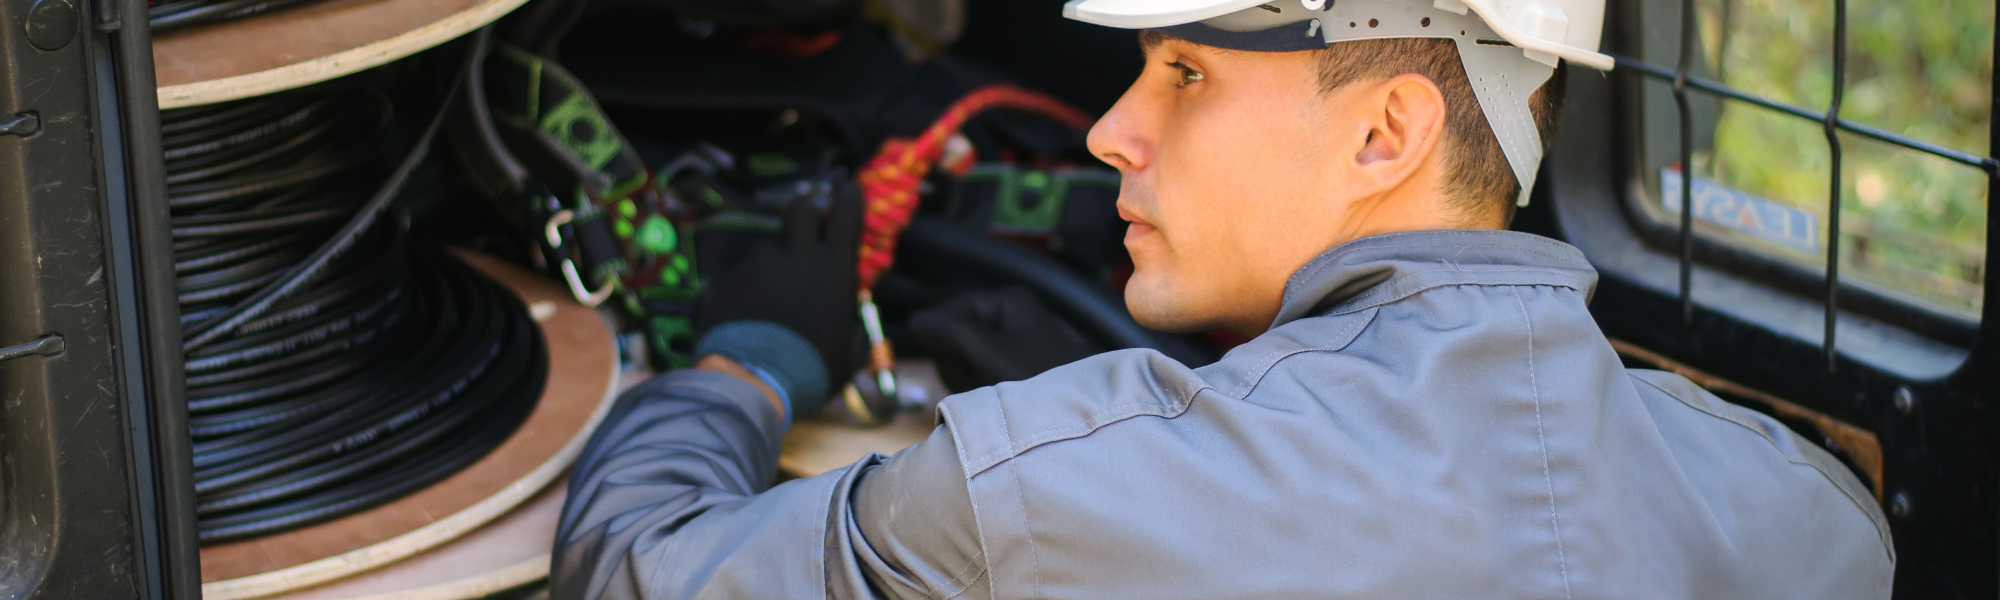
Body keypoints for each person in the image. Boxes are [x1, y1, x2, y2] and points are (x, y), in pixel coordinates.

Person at [551, 0, 1894, 597]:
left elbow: (631, 578)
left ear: (1388, 133)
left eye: (1184, 75)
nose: (1108, 131)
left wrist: (743, 364)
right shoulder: (1811, 518)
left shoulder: (1044, 496)